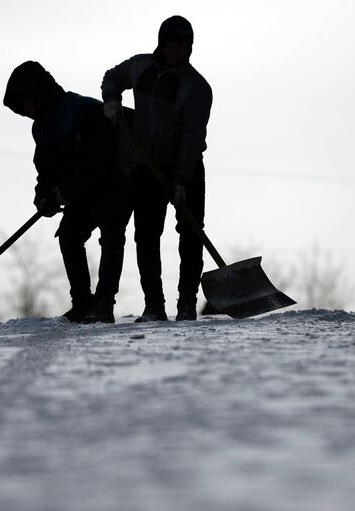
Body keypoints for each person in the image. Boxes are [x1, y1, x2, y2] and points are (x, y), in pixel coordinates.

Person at [101, 15, 213, 322]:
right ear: (162, 44)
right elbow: (112, 77)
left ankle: (187, 304)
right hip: (146, 166)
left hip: (185, 167)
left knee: (190, 234)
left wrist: (180, 181)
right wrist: (111, 99)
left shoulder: (197, 88)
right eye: (175, 44)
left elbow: (193, 138)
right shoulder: (140, 67)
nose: (181, 50)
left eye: (187, 45)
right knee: (146, 235)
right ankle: (154, 305)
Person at [3, 61, 132, 323]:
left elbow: (99, 162)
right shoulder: (40, 128)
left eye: (26, 102)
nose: (25, 111)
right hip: (81, 192)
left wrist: (65, 195)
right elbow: (46, 169)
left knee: (111, 237)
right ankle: (83, 304)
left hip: (115, 183)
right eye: (20, 107)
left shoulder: (83, 111)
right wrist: (44, 196)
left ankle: (103, 304)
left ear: (38, 93)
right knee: (70, 236)